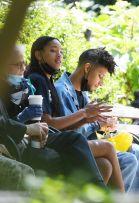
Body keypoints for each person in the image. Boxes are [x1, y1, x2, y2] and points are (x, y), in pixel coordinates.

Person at [25, 36, 125, 192]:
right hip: (44, 141)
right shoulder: (37, 80)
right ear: (38, 55)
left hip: (60, 139)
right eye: (53, 51)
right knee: (108, 147)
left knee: (104, 165)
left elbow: (58, 124)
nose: (59, 55)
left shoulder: (48, 80)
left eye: (61, 52)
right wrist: (84, 114)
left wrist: (85, 119)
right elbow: (47, 124)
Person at [0, 46, 106, 189]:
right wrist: (27, 127)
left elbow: (11, 121)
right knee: (86, 144)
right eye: (17, 65)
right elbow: (46, 122)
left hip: (22, 139)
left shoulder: (18, 87)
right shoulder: (40, 80)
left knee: (84, 148)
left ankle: (98, 199)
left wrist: (25, 119)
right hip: (13, 143)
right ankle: (103, 199)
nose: (23, 69)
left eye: (24, 64)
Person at [55, 47, 139, 195]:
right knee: (129, 160)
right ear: (87, 67)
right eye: (100, 76)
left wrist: (103, 124)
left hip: (90, 147)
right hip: (77, 150)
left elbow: (87, 123)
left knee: (137, 151)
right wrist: (97, 124)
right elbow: (70, 133)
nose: (101, 83)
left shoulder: (83, 92)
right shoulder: (61, 90)